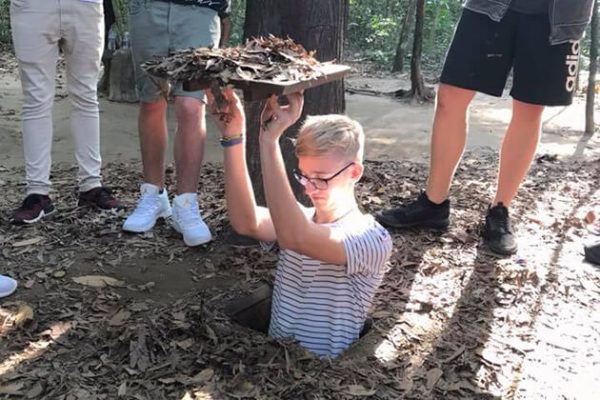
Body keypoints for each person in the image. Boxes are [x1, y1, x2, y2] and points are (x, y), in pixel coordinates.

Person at [377, 0, 594, 256]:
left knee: (530, 109)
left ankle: (499, 211)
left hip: (560, 17)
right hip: (489, 6)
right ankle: (433, 204)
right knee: (450, 97)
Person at [207, 89, 392, 358]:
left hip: (321, 380)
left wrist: (269, 142)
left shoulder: (371, 238)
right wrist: (233, 137)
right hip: (273, 369)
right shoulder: (302, 218)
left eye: (321, 177)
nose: (309, 187)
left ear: (354, 172)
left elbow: (296, 237)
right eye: (304, 176)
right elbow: (245, 221)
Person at [122, 0, 231, 246]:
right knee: (151, 101)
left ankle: (186, 204)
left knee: (192, 106)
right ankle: (153, 195)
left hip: (201, 11)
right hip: (149, 9)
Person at [9, 0, 123, 225]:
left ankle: (91, 185)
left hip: (85, 4)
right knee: (36, 99)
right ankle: (37, 193)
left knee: (86, 96)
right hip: (33, 5)